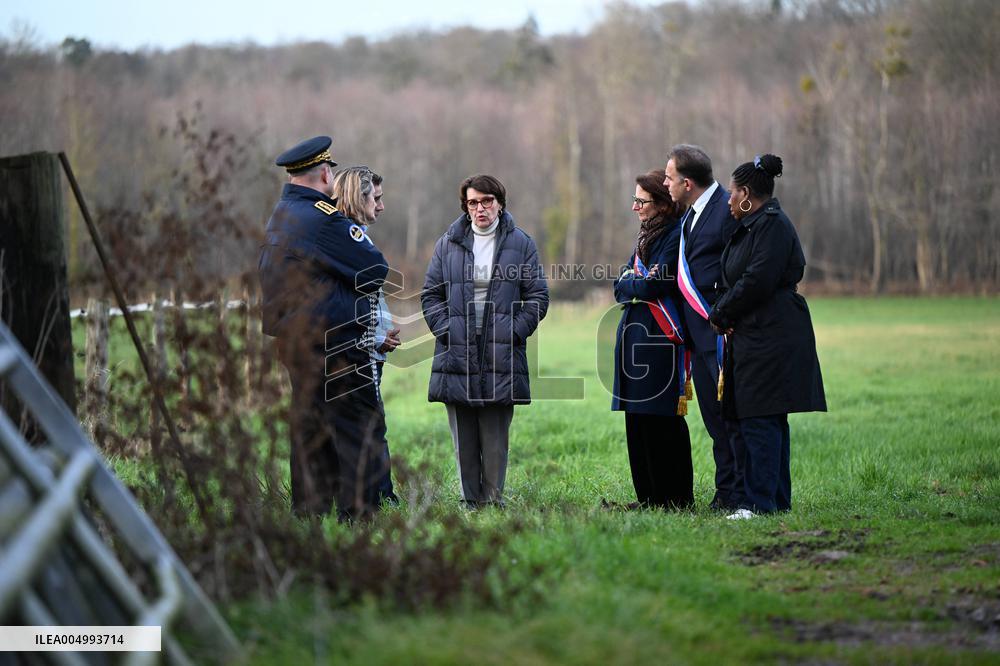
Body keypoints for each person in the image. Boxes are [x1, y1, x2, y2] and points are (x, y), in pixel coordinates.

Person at [258, 136, 390, 521]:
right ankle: (360, 514)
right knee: (357, 426)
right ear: (324, 172)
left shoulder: (281, 213)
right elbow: (375, 268)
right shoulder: (322, 216)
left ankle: (310, 511)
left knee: (309, 427)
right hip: (336, 342)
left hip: (295, 342)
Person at [709, 154, 827, 518]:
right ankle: (774, 501)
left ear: (746, 193)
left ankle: (757, 503)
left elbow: (756, 281)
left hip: (771, 335)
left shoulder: (772, 226)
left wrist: (721, 312)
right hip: (754, 333)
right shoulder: (751, 226)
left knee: (761, 417)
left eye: (732, 193)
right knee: (761, 417)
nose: (728, 200)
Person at [421, 175, 548, 508]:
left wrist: (514, 332)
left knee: (494, 432)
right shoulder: (447, 243)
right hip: (457, 348)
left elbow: (537, 296)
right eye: (473, 202)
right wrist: (447, 329)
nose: (480, 208)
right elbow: (431, 295)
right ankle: (469, 501)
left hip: (501, 349)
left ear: (500, 203)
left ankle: (493, 501)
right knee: (463, 431)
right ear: (465, 206)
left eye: (487, 201)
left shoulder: (521, 243)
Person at [663, 144, 745, 511]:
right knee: (715, 422)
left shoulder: (725, 210)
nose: (666, 183)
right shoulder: (689, 215)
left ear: (688, 182)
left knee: (731, 420)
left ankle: (739, 492)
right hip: (697, 338)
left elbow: (738, 269)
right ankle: (725, 492)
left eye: (669, 178)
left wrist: (727, 314)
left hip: (722, 335)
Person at [610, 169, 694, 510]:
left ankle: (673, 499)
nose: (634, 207)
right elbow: (619, 285)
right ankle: (647, 497)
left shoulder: (674, 235)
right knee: (637, 419)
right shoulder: (645, 236)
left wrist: (633, 283)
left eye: (640, 201)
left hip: (661, 338)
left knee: (660, 419)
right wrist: (632, 283)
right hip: (635, 337)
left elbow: (649, 285)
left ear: (660, 204)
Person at [331, 165, 400, 505]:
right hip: (359, 352)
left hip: (371, 346)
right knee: (371, 425)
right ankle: (378, 496)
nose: (381, 206)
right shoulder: (348, 239)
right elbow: (351, 303)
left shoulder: (354, 235)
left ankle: (381, 493)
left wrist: (383, 334)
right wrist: (375, 339)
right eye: (377, 198)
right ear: (359, 198)